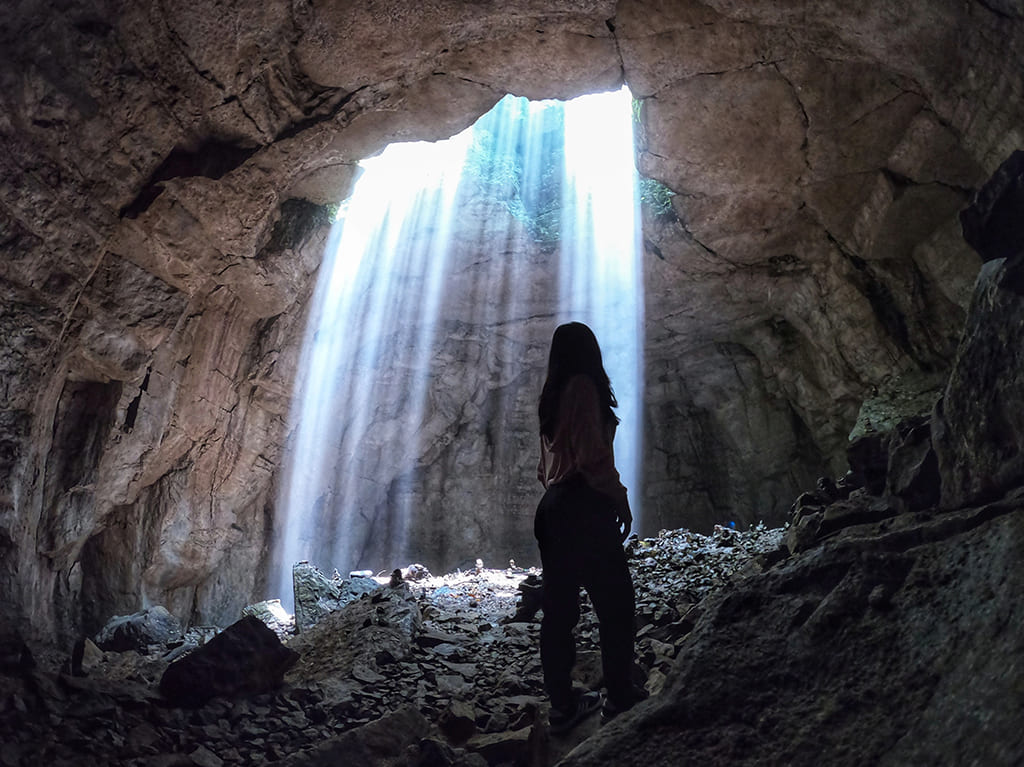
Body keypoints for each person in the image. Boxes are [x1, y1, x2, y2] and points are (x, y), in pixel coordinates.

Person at [534, 322, 643, 734]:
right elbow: (592, 456)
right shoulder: (582, 387)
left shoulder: (551, 397)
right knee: (616, 604)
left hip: (554, 507)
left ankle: (562, 706)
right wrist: (619, 497)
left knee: (559, 611)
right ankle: (619, 697)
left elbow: (544, 469)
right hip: (582, 504)